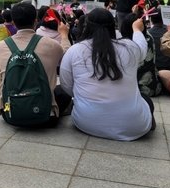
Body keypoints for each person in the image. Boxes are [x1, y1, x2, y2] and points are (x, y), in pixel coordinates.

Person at [59, 8, 155, 141]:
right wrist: (137, 30)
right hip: (134, 126)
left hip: (86, 122)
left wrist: (84, 96)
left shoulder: (75, 50)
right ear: (113, 25)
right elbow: (142, 49)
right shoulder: (130, 47)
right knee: (147, 100)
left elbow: (66, 85)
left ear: (87, 26)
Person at [0, 2, 72, 127]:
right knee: (64, 90)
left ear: (13, 22)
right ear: (36, 21)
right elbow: (68, 57)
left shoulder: (1, 46)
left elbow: (1, 78)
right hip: (46, 114)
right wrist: (64, 35)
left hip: (9, 114)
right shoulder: (51, 45)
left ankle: (7, 107)